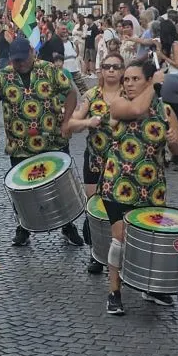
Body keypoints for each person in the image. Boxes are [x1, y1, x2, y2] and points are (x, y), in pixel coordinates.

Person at [100, 60, 178, 314]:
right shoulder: (118, 103)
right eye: (127, 79)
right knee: (120, 239)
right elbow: (137, 110)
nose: (128, 83)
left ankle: (151, 287)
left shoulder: (165, 111)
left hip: (151, 186)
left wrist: (175, 141)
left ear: (147, 80)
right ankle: (114, 292)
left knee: (151, 240)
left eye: (135, 79)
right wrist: (155, 85)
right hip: (118, 185)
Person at [0, 36, 83, 247]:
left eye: (23, 59)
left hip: (53, 141)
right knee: (21, 192)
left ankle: (68, 226)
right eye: (15, 60)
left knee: (60, 188)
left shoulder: (49, 70)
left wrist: (66, 122)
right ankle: (23, 227)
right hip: (20, 145)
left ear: (32, 53)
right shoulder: (4, 76)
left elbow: (71, 93)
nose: (19, 64)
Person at [67, 52, 125, 274]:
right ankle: (97, 255)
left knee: (117, 209)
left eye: (116, 67)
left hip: (123, 163)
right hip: (95, 159)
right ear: (100, 70)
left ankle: (117, 252)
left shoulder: (129, 95)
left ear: (122, 70)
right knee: (95, 208)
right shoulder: (91, 95)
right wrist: (86, 122)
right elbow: (72, 123)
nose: (111, 70)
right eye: (107, 66)